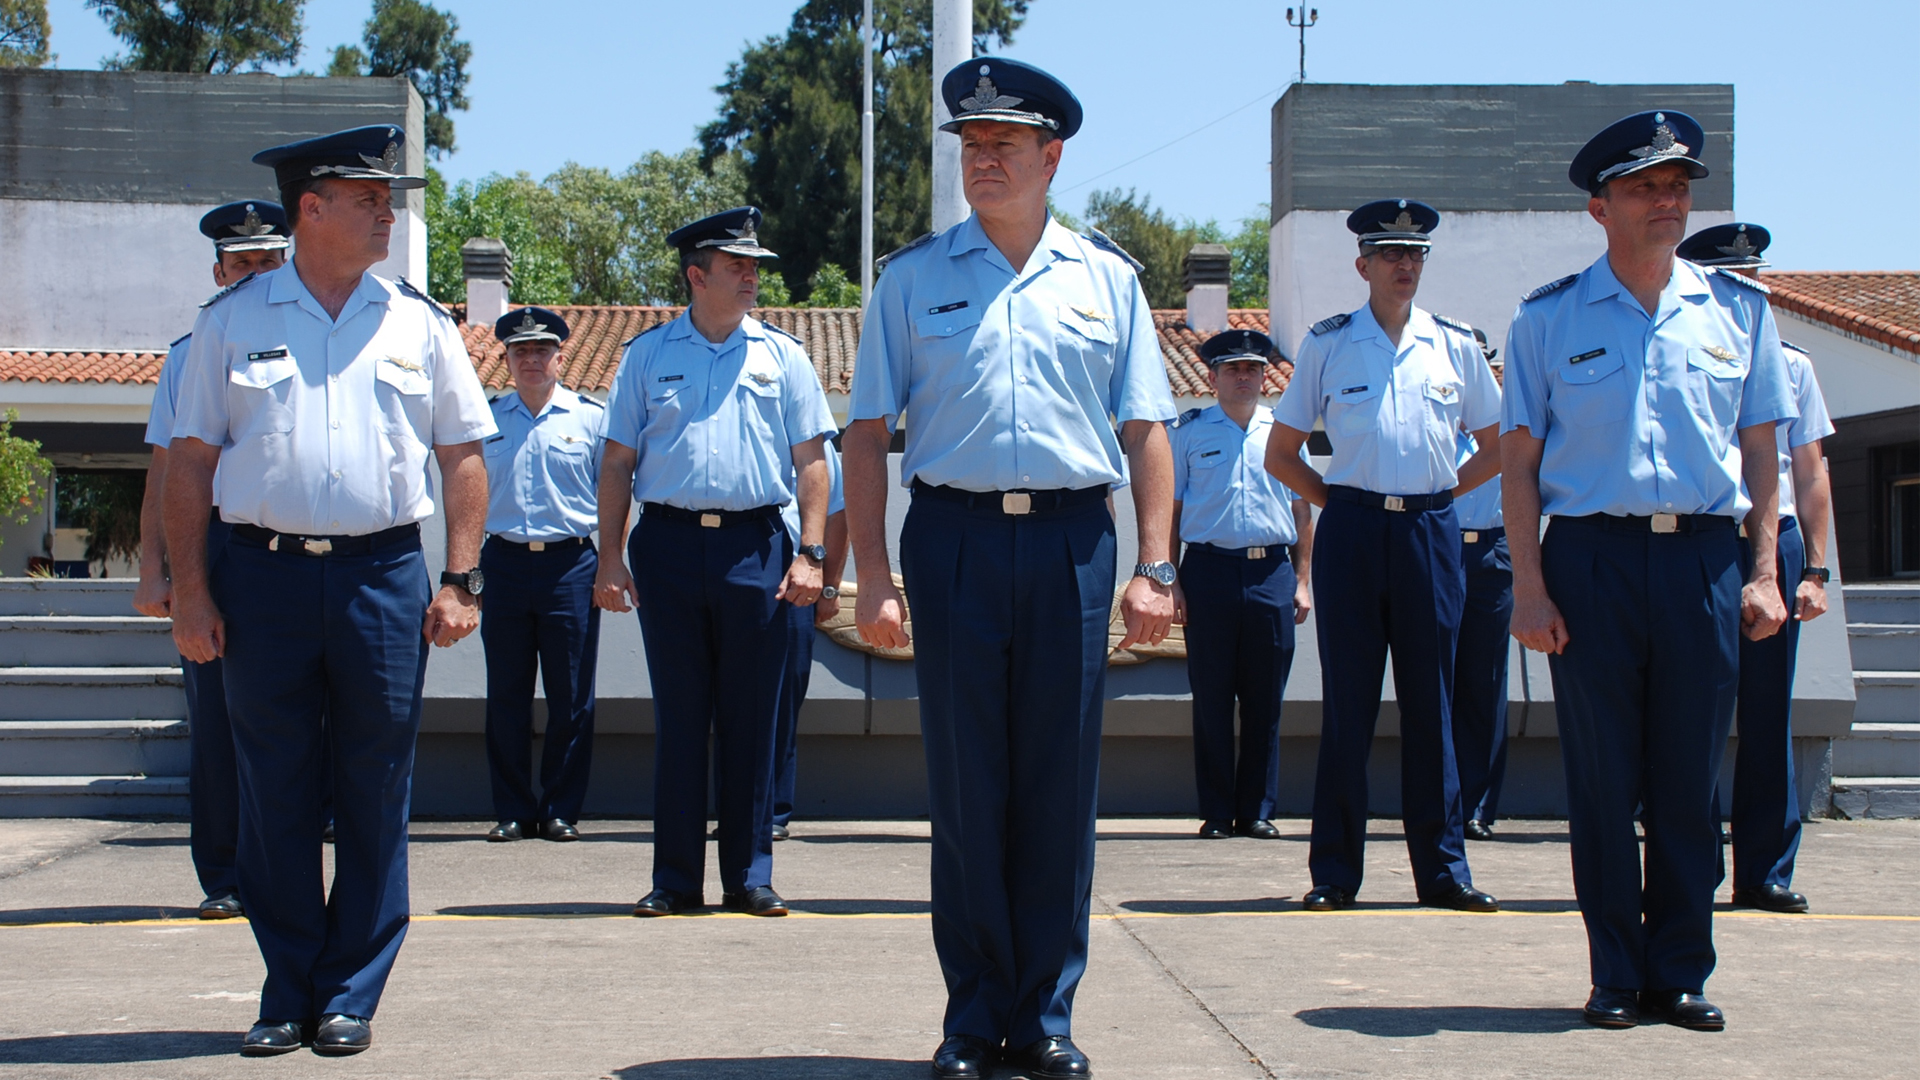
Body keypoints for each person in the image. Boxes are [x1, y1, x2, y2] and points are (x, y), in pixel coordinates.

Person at [846, 57, 1178, 1080]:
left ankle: (1047, 1017)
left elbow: (1148, 431)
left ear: (1052, 157)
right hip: (952, 540)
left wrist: (1156, 565)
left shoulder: (1106, 280)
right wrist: (874, 575)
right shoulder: (912, 280)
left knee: (1057, 787)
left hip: (1076, 541)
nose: (982, 160)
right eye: (970, 145)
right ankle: (973, 1015)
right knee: (967, 785)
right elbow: (865, 436)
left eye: (1003, 145)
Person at [165, 125, 496, 1057]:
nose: (388, 212)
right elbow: (189, 465)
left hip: (381, 577)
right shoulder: (232, 320)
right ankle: (287, 986)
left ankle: (351, 989)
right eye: (369, 197)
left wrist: (460, 576)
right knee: (272, 788)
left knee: (374, 786)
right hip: (258, 574)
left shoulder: (417, 321)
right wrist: (190, 591)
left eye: (387, 198)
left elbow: (463, 456)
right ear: (310, 208)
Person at [1502, 111, 1794, 1032]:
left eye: (1678, 187)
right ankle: (1615, 974)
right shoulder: (1548, 318)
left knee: (1687, 777)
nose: (1668, 203)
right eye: (1644, 189)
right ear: (1601, 207)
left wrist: (1764, 572)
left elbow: (1762, 458)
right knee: (1601, 778)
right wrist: (1530, 585)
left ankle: (1680, 972)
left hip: (1704, 559)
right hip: (1589, 558)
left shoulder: (1739, 312)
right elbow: (1518, 464)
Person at [594, 206, 835, 920]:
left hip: (755, 546)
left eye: (755, 265)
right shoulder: (646, 355)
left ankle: (749, 875)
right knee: (681, 714)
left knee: (751, 718)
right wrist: (611, 554)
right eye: (737, 265)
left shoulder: (783, 357)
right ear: (696, 276)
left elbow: (813, 464)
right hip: (666, 547)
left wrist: (812, 553)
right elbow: (617, 462)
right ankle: (675, 880)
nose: (751, 275)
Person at [1264, 199, 1503, 915]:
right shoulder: (1330, 345)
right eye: (1391, 254)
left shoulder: (1455, 344)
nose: (1406, 265)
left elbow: (1495, 447)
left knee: (1434, 704)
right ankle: (1335, 873)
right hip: (1354, 534)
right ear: (1362, 264)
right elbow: (1283, 452)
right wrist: (1339, 502)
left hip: (1431, 532)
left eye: (1416, 254)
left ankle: (1444, 872)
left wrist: (1437, 495)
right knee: (1350, 707)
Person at [134, 200, 290, 920]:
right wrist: (154, 571)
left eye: (267, 261)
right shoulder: (188, 351)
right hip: (217, 545)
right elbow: (167, 470)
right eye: (242, 263)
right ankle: (225, 875)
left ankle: (288, 871)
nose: (254, 274)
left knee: (300, 717)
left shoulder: (311, 341)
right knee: (220, 721)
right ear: (219, 270)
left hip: (292, 545)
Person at [1677, 222, 1835, 914]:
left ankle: (1765, 870)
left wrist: (1815, 572)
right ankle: (1694, 867)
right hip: (1707, 538)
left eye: (1755, 278)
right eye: (1734, 280)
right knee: (1693, 712)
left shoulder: (1793, 364)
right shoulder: (1683, 352)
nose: (1750, 291)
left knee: (1767, 714)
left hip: (1779, 541)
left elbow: (1811, 470)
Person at [1171, 329, 1313, 841]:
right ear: (1212, 378)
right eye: (1232, 369)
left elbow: (1302, 511)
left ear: (1264, 376)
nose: (1243, 377)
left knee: (1264, 698)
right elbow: (1173, 511)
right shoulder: (1188, 433)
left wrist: (1302, 580)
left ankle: (1257, 810)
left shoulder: (1283, 433)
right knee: (1211, 696)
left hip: (1271, 573)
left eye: (1252, 369)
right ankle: (1215, 811)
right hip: (1207, 571)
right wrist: (1170, 582)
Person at [478, 307, 606, 844]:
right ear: (506, 360)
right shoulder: (486, 420)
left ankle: (560, 808)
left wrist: (614, 563)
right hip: (502, 561)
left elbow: (614, 493)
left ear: (560, 357)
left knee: (571, 695)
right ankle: (512, 809)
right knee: (505, 693)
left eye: (541, 350)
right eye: (520, 351)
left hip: (570, 564)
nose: (531, 359)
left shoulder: (591, 419)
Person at [770, 444, 849, 840]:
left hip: (797, 576)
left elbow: (837, 513)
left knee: (784, 694)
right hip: (738, 562)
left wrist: (830, 588)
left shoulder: (818, 448)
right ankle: (733, 808)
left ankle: (772, 812)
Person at [1451, 329, 1512, 842]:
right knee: (1436, 681)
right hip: (1439, 550)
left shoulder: (1507, 425)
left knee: (1486, 684)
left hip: (1493, 550)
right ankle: (1439, 798)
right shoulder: (1433, 422)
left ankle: (1478, 804)